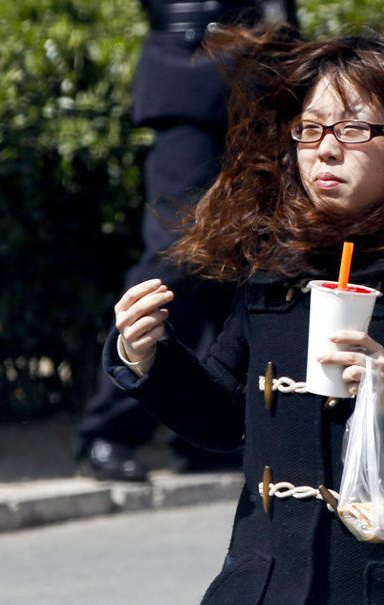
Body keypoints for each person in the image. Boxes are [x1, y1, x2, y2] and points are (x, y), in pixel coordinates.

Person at [103, 26, 384, 605]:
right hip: (266, 584)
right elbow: (227, 418)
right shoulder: (275, 258)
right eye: (310, 129)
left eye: (354, 128)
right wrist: (150, 356)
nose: (326, 148)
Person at [75, 0, 298, 480]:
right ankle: (111, 429)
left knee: (242, 256)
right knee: (178, 253)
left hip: (258, 73)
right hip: (190, 66)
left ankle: (208, 432)